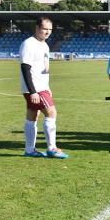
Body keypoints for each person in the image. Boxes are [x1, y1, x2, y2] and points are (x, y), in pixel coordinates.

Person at [19, 16, 68, 158]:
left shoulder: (44, 45)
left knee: (32, 115)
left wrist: (47, 86)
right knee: (51, 112)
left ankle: (29, 150)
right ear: (37, 28)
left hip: (41, 87)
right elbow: (25, 68)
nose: (47, 32)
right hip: (35, 88)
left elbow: (43, 68)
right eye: (45, 29)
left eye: (50, 29)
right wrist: (33, 91)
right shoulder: (29, 44)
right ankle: (52, 148)